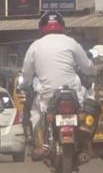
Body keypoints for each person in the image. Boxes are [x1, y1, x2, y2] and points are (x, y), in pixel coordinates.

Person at [20, 11, 95, 154]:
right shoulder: (71, 42)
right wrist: (94, 72)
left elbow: (26, 73)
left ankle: (40, 145)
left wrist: (25, 85)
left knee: (35, 112)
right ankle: (86, 131)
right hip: (73, 95)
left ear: (42, 27)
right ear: (62, 26)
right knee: (89, 99)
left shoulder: (35, 46)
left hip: (47, 97)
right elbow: (88, 66)